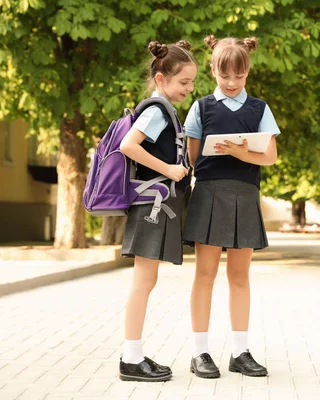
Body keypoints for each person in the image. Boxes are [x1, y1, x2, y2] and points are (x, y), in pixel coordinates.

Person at [182, 34, 280, 378]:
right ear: (213, 71)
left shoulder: (260, 109)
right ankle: (200, 353)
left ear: (247, 72)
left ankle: (240, 352)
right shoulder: (201, 107)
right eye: (225, 77)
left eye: (239, 76)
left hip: (245, 194)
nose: (232, 83)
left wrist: (240, 152)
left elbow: (270, 155)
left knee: (239, 276)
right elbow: (193, 157)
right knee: (204, 274)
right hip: (208, 194)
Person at [118, 40, 197, 382]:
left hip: (157, 206)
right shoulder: (155, 111)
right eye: (183, 83)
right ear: (162, 79)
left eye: (192, 83)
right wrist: (168, 169)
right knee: (143, 281)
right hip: (150, 205)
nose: (189, 89)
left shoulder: (164, 110)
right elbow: (128, 145)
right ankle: (130, 358)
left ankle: (133, 354)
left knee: (145, 280)